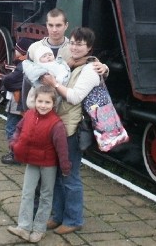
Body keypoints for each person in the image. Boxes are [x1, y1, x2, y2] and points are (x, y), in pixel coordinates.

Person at [39, 27, 102, 234]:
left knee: (70, 175)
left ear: (89, 48)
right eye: (73, 43)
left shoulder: (92, 70)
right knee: (56, 174)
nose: (74, 47)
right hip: (58, 126)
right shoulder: (71, 63)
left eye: (80, 44)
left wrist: (54, 83)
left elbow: (74, 96)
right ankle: (58, 215)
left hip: (72, 129)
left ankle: (74, 219)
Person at [6, 85, 71, 243]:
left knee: (46, 195)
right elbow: (18, 129)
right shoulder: (28, 115)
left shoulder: (56, 124)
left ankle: (39, 228)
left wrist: (65, 167)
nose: (43, 105)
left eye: (47, 102)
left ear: (53, 104)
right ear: (34, 101)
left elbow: (62, 148)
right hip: (32, 161)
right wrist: (14, 144)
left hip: (48, 164)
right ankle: (24, 226)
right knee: (27, 193)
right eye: (40, 101)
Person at [0, 37, 33, 165]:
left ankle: (15, 154)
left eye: (17, 49)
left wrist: (6, 83)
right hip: (23, 101)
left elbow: (9, 80)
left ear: (22, 52)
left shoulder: (22, 65)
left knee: (11, 128)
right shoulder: (29, 63)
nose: (15, 51)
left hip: (17, 102)